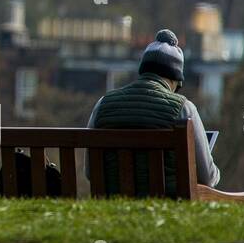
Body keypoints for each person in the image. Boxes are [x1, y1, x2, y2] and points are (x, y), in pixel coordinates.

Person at [87, 29, 220, 194]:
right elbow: (207, 177)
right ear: (175, 80)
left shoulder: (102, 104)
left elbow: (90, 171)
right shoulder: (184, 109)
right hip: (166, 208)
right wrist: (215, 174)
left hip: (111, 204)